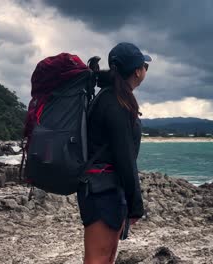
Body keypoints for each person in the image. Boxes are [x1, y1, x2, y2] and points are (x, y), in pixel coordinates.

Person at [77, 42, 151, 264]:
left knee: (106, 256)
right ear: (138, 71)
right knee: (98, 258)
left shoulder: (111, 96)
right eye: (145, 66)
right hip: (102, 190)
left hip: (104, 187)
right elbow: (124, 156)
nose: (146, 70)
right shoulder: (115, 102)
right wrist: (136, 204)